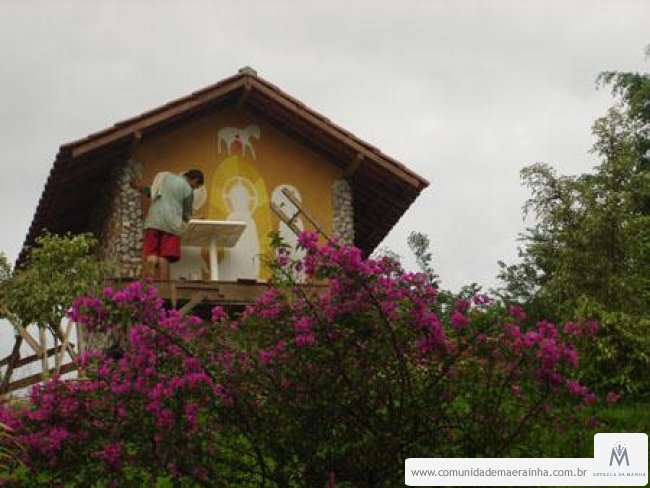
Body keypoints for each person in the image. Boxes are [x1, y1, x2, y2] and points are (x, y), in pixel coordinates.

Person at [131, 168, 205, 280]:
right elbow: (185, 215)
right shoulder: (188, 190)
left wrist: (139, 187)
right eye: (196, 186)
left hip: (154, 220)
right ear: (194, 180)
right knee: (164, 257)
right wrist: (195, 218)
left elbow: (152, 192)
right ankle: (163, 285)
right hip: (171, 225)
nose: (194, 189)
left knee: (151, 254)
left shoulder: (164, 177)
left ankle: (148, 283)